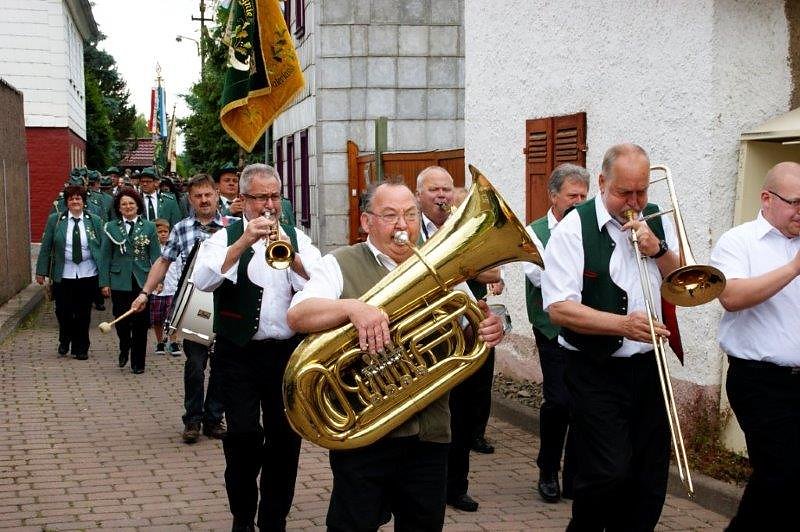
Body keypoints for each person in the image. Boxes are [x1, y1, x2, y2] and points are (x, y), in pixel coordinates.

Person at [288, 180, 505, 531]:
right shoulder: (339, 264)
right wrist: (352, 308)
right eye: (389, 215)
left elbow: (468, 324)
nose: (402, 225)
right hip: (363, 435)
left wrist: (486, 328)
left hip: (430, 434)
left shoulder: (440, 261)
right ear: (366, 222)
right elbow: (299, 314)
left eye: (410, 214)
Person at [541, 143, 680, 530]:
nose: (634, 203)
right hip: (594, 367)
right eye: (624, 193)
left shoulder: (653, 219)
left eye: (641, 192)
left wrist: (660, 249)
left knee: (649, 478)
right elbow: (559, 308)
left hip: (648, 366)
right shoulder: (574, 227)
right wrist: (622, 325)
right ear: (602, 182)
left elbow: (681, 279)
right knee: (607, 472)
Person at [192, 163, 320, 532]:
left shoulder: (298, 236)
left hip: (287, 355)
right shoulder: (223, 237)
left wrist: (290, 252)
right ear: (242, 200)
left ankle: (274, 519)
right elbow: (203, 280)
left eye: (274, 196)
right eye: (261, 197)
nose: (269, 204)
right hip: (238, 354)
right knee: (243, 438)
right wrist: (244, 241)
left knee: (285, 441)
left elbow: (321, 283)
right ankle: (242, 517)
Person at [709, 161, 800, 531]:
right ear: (767, 198)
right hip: (760, 381)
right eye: (796, 202)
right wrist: (794, 268)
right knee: (781, 472)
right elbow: (730, 297)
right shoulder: (739, 241)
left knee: (784, 480)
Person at [415, 168, 500, 513]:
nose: (442, 195)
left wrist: (459, 263)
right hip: (424, 336)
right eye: (434, 189)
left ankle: (456, 487)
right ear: (419, 195)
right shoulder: (409, 232)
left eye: (446, 189)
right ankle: (423, 486)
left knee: (463, 415)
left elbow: (495, 271)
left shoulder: (466, 231)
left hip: (465, 332)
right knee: (426, 414)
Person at [130, 174, 232, 444]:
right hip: (194, 304)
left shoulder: (232, 226)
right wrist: (144, 293)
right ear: (190, 199)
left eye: (208, 194)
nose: (204, 200)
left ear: (216, 194)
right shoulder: (182, 228)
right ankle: (193, 420)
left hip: (227, 305)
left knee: (222, 366)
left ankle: (214, 419)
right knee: (195, 366)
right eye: (198, 196)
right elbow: (164, 262)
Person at [523, 163, 589, 503]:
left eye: (583, 196)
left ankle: (576, 475)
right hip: (551, 329)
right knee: (559, 401)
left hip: (586, 330)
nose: (578, 202)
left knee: (582, 403)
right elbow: (544, 279)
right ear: (553, 196)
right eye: (571, 196)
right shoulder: (535, 232)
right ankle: (548, 469)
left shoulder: (591, 230)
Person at [35, 184, 107, 360]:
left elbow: (103, 250)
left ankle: (81, 347)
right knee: (63, 311)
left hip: (87, 272)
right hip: (63, 273)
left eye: (78, 198)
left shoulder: (95, 220)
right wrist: (41, 271)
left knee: (83, 312)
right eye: (71, 199)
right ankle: (64, 339)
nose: (75, 201)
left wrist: (105, 279)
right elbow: (46, 246)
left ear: (84, 202)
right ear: (66, 202)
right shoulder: (56, 220)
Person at [99, 188, 161, 374]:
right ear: (118, 208)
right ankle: (125, 346)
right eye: (124, 204)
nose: (128, 207)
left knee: (141, 322)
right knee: (122, 320)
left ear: (137, 205)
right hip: (119, 280)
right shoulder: (110, 227)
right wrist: (104, 282)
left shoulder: (149, 227)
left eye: (131, 203)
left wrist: (159, 280)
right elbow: (104, 257)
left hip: (143, 280)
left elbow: (156, 256)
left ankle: (138, 362)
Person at [149, 218, 183, 356]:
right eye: (159, 232)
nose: (163, 234)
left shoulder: (175, 248)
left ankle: (173, 342)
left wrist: (180, 283)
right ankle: (160, 342)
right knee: (158, 319)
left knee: (172, 317)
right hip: (157, 291)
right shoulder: (152, 250)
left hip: (173, 288)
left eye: (165, 231)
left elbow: (180, 267)